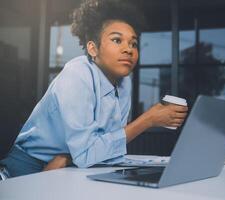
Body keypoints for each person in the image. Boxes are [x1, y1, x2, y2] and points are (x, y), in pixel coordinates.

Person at [0, 0, 188, 178]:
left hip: (69, 164)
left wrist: (69, 157)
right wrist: (147, 120)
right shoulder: (77, 75)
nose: (128, 49)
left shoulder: (124, 83)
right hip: (28, 166)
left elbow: (106, 147)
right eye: (117, 40)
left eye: (133, 43)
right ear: (92, 48)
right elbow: (90, 152)